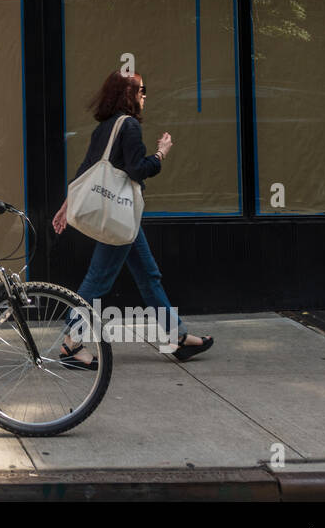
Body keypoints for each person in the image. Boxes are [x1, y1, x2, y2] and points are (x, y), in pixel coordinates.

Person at [50, 70, 214, 367]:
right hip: (120, 217)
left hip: (123, 217)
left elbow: (86, 171)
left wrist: (67, 204)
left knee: (148, 276)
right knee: (97, 280)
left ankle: (176, 336)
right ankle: (71, 345)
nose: (144, 95)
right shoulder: (129, 127)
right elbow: (138, 169)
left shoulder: (104, 128)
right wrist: (161, 154)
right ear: (128, 94)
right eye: (141, 90)